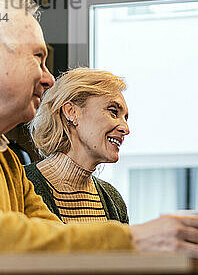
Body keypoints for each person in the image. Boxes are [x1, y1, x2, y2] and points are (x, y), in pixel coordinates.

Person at [0, 0, 198, 254]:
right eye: (38, 57)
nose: (48, 78)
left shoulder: (5, 159)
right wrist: (135, 242)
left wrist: (169, 244)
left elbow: (56, 244)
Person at [26, 67, 130, 224]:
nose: (125, 129)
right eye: (113, 112)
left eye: (125, 118)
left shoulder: (113, 200)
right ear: (71, 112)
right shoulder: (21, 185)